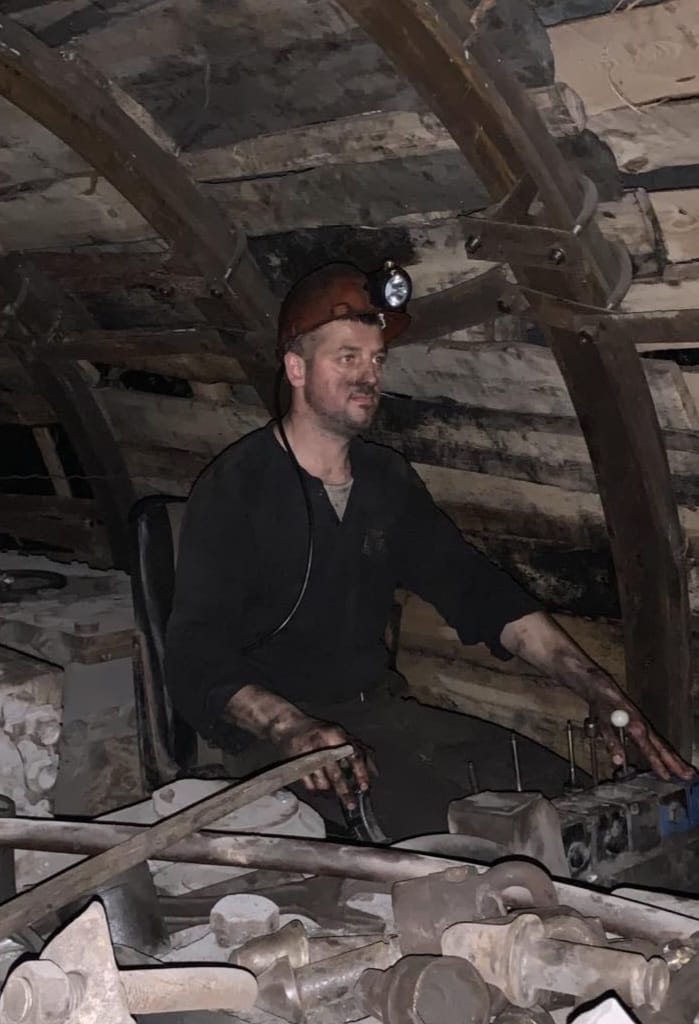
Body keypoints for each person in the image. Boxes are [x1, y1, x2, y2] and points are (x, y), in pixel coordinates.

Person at [165, 261, 693, 839]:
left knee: (565, 804)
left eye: (376, 360)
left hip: (384, 714)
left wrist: (592, 684)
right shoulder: (235, 488)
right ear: (296, 367)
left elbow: (474, 588)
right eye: (347, 357)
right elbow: (195, 657)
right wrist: (290, 727)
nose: (368, 375)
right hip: (277, 744)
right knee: (478, 845)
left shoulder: (385, 480)